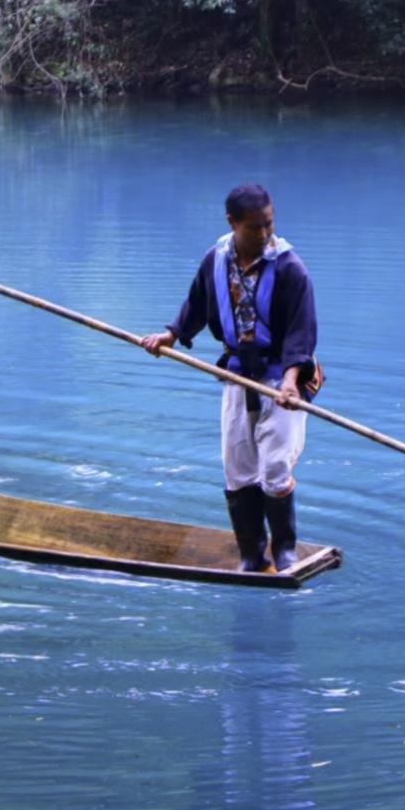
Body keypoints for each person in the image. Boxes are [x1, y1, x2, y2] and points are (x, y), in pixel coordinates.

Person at [139, 183, 322, 573]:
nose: (264, 234)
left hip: (280, 381)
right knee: (238, 468)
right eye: (254, 227)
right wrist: (170, 335)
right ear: (232, 223)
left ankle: (285, 552)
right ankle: (251, 555)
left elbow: (300, 332)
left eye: (269, 225)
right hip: (237, 376)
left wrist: (291, 380)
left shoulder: (290, 268)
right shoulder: (216, 259)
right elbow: (198, 303)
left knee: (274, 467)